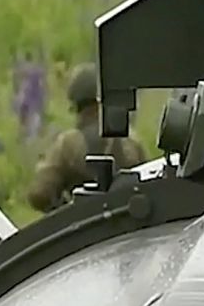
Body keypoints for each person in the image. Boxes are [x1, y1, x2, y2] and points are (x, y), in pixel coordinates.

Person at [25, 62, 149, 212]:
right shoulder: (131, 140)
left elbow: (39, 193)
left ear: (76, 106)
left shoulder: (67, 144)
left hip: (85, 228)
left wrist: (64, 210)